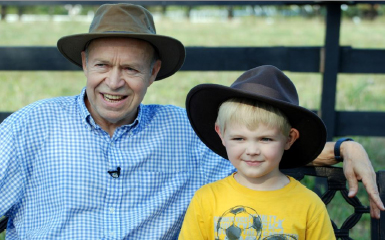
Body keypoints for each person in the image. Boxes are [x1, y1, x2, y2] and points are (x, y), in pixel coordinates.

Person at [0, 3, 383, 240]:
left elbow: (258, 145)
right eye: (102, 65)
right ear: (84, 63)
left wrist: (345, 147)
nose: (114, 82)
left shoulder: (183, 133)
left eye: (131, 69)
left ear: (154, 72)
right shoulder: (32, 126)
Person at [179, 65, 335, 240]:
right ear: (221, 134)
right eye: (239, 139)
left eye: (265, 139)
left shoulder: (309, 205)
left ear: (289, 139)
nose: (252, 151)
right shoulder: (206, 199)